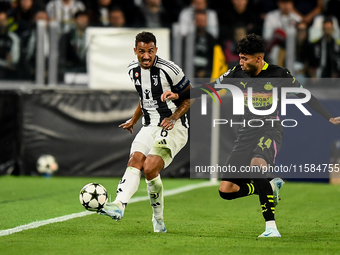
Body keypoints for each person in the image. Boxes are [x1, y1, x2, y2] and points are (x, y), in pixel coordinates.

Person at [161, 33, 340, 237]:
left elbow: (306, 96)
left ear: (259, 58)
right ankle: (268, 186)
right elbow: (209, 88)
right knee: (226, 191)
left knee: (257, 167)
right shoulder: (237, 72)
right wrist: (179, 95)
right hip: (246, 133)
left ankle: (271, 227)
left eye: (245, 58)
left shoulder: (279, 74)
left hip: (270, 130)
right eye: (240, 57)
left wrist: (329, 118)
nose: (241, 61)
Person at [98, 31, 193, 233]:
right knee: (135, 161)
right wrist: (134, 120)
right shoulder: (133, 70)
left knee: (150, 168)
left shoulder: (170, 69)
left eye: (150, 51)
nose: (146, 56)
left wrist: (174, 117)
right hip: (149, 126)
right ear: (135, 51)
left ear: (156, 50)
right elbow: (145, 98)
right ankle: (119, 205)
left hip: (174, 127)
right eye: (142, 51)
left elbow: (190, 95)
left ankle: (158, 220)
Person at [58, 11, 88, 80]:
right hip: (70, 70)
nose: (83, 21)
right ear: (75, 20)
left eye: (85, 19)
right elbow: (62, 56)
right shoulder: (66, 37)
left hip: (87, 70)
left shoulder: (91, 36)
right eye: (81, 19)